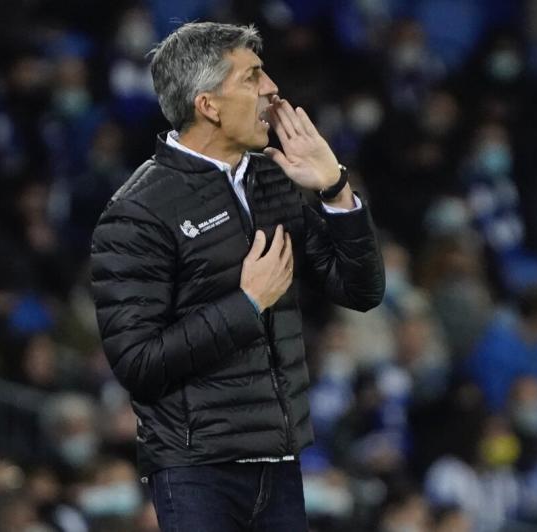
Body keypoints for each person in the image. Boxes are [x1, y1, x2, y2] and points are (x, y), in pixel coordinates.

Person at [90, 21, 385, 532]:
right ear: (208, 105)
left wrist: (336, 189)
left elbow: (360, 291)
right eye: (252, 77)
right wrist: (246, 303)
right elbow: (138, 363)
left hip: (280, 460)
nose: (271, 89)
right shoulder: (136, 213)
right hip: (196, 471)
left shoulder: (274, 179)